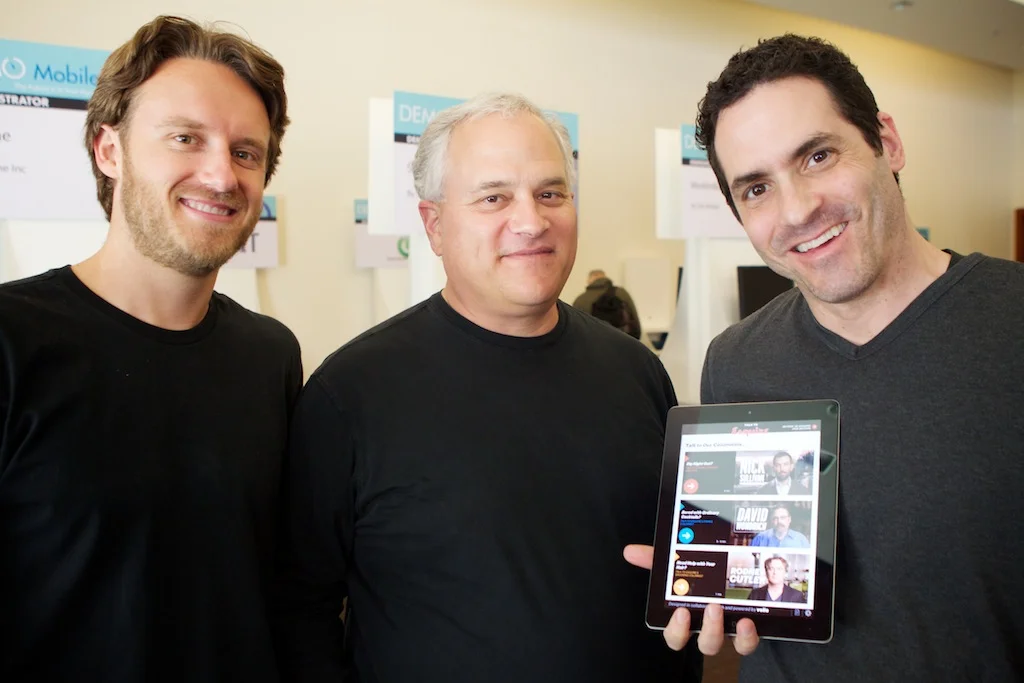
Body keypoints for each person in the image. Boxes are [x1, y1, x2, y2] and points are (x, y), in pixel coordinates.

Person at [625, 33, 1024, 681]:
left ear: (886, 142)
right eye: (756, 189)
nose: (798, 209)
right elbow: (757, 594)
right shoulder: (734, 362)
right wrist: (707, 592)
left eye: (817, 156)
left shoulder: (1012, 325)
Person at [273, 93, 700, 682]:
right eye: (493, 197)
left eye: (550, 193)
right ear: (434, 225)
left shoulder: (638, 372)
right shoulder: (350, 395)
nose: (530, 220)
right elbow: (302, 609)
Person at [0, 16, 302, 682]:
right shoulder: (13, 340)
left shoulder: (269, 356)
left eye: (246, 152)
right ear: (110, 151)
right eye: (184, 138)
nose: (222, 175)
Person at [572, 268, 642, 338]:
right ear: (605, 278)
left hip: (594, 344)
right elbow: (634, 317)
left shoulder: (580, 300)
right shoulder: (621, 293)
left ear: (589, 280)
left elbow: (576, 328)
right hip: (622, 341)